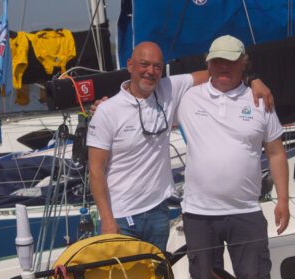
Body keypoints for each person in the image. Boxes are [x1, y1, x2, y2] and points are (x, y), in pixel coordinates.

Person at [87, 41, 273, 251]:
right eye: (144, 64)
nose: (151, 72)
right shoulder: (107, 111)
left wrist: (252, 79)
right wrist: (107, 219)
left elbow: (214, 73)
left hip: (158, 211)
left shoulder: (168, 88)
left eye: (157, 66)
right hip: (121, 216)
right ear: (130, 65)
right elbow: (95, 170)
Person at [176, 35, 289, 279]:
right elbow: (145, 98)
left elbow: (275, 153)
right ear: (209, 64)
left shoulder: (260, 100)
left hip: (246, 212)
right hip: (199, 214)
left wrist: (283, 201)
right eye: (217, 62)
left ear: (244, 64)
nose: (223, 67)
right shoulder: (188, 98)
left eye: (230, 61)